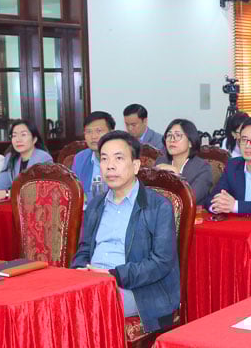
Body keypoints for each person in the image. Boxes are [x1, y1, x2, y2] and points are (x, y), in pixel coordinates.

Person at [71, 131, 180, 332]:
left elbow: (161, 262)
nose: (110, 165)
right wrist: (79, 270)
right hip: (93, 283)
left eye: (119, 158)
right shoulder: (96, 204)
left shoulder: (158, 206)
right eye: (104, 159)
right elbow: (84, 249)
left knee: (89, 307)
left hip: (138, 289)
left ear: (136, 165)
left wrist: (114, 275)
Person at [154, 118, 214, 205]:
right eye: (169, 135)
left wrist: (177, 176)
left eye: (178, 135)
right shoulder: (161, 161)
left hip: (192, 216)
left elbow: (191, 199)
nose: (172, 139)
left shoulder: (203, 168)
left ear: (190, 142)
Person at [0, 119, 53, 199]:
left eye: (23, 135)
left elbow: (36, 190)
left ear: (34, 139)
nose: (18, 139)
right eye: (14, 135)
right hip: (17, 205)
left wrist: (7, 194)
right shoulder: (10, 158)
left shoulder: (43, 158)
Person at [72, 111, 116, 201]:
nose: (93, 136)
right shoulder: (80, 158)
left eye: (98, 131)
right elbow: (74, 191)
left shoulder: (121, 159)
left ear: (111, 133)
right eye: (88, 132)